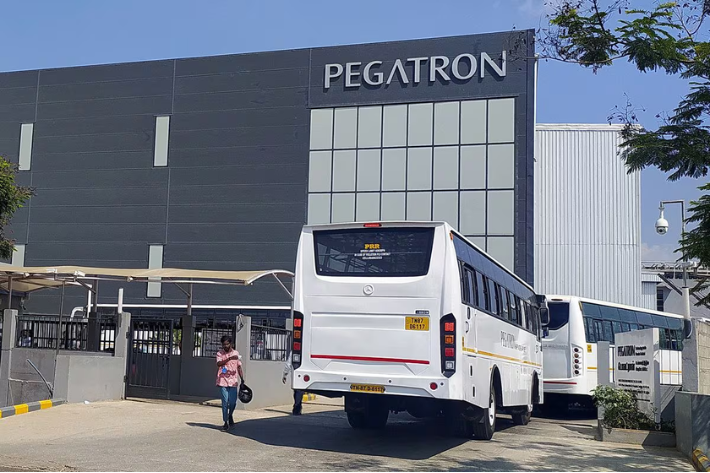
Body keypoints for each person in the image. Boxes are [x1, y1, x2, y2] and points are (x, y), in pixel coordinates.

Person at [216, 335, 244, 431]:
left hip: (233, 382)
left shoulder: (236, 353)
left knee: (232, 402)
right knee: (225, 402)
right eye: (224, 344)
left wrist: (242, 379)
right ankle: (225, 422)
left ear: (231, 344)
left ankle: (230, 415)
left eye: (227, 344)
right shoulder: (220, 353)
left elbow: (239, 367)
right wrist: (229, 359)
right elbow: (218, 364)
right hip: (223, 381)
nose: (225, 346)